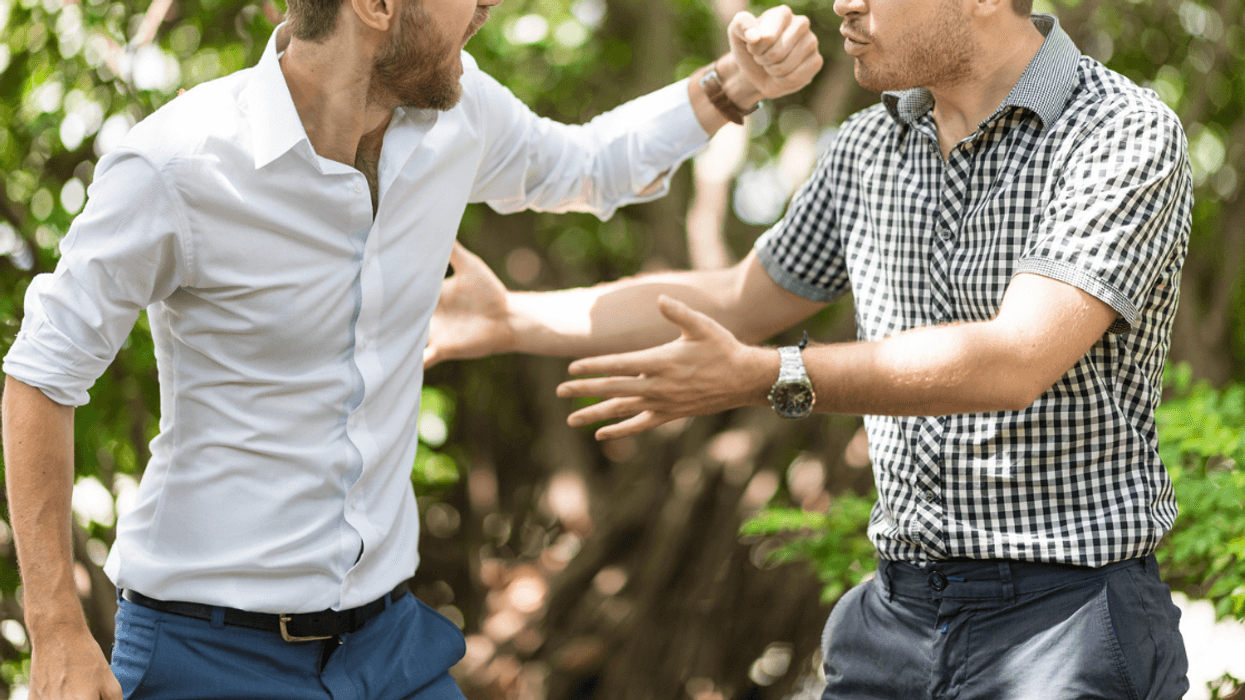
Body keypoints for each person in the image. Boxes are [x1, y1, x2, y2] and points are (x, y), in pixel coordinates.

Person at [0, 0, 824, 695]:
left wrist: (735, 84)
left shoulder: (455, 118)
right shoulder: (175, 167)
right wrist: (57, 629)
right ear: (377, 7)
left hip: (389, 648)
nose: (486, 7)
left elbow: (589, 166)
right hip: (206, 654)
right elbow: (42, 375)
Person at [424, 0, 1194, 696]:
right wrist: (510, 320)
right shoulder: (868, 147)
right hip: (892, 621)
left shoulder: (1118, 131)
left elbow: (1014, 358)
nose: (843, 5)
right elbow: (737, 300)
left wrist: (767, 378)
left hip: (1068, 627)